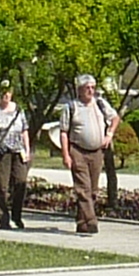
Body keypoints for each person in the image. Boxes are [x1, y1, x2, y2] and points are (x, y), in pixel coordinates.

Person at [57, 72, 120, 235]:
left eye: (93, 87)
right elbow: (63, 132)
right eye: (87, 88)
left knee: (92, 190)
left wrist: (109, 134)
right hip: (78, 151)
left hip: (97, 152)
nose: (91, 91)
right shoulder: (71, 107)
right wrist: (66, 154)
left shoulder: (100, 103)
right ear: (79, 90)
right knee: (83, 189)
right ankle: (92, 221)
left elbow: (115, 118)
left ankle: (82, 222)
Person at [0, 81, 34, 230]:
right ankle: (3, 218)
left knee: (20, 182)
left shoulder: (18, 109)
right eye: (3, 92)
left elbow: (24, 130)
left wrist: (27, 149)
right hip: (1, 151)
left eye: (8, 92)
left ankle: (17, 215)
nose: (6, 95)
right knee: (2, 186)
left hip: (18, 150)